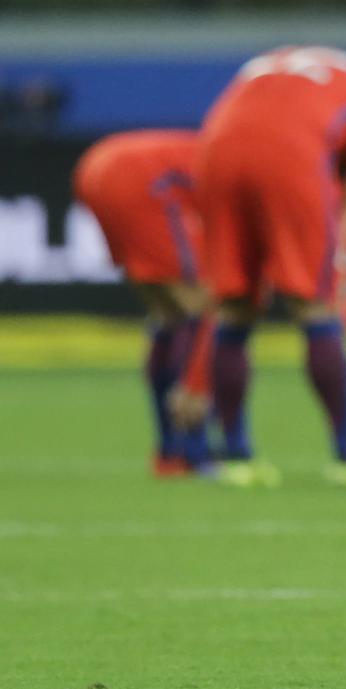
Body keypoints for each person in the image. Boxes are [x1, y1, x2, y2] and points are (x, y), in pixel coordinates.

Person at [181, 46, 346, 488]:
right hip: (293, 155)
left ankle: (238, 458)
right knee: (315, 309)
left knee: (234, 306)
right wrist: (338, 246)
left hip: (213, 150)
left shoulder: (273, 61)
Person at [74, 130, 213, 477]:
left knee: (167, 312)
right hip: (141, 177)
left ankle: (169, 450)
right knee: (203, 306)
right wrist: (198, 383)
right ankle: (192, 448)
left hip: (96, 164)